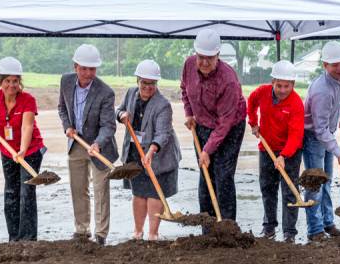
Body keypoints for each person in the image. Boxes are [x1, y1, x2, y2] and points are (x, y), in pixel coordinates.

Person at [180, 28, 247, 223]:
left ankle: (227, 226)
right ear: (196, 54)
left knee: (223, 176)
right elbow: (184, 88)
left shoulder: (228, 80)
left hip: (230, 127)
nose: (205, 62)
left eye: (210, 57)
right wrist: (189, 112)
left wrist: (207, 149)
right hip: (201, 123)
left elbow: (224, 123)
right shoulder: (189, 65)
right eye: (201, 57)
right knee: (205, 173)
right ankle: (207, 226)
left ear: (218, 55)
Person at [57, 44, 118, 245]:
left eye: (92, 69)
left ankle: (101, 233)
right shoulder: (65, 82)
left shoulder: (105, 92)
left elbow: (109, 125)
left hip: (99, 147)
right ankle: (81, 230)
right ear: (75, 67)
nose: (88, 73)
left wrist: (98, 144)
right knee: (78, 188)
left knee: (101, 190)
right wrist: (67, 126)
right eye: (84, 68)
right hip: (76, 144)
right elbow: (62, 108)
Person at [117, 59, 181, 240]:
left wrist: (151, 151)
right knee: (138, 192)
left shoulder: (163, 105)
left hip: (159, 154)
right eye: (144, 82)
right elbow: (119, 110)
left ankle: (153, 234)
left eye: (152, 83)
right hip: (135, 151)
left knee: (153, 193)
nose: (148, 87)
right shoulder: (130, 93)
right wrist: (121, 115)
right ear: (138, 81)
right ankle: (138, 231)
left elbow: (162, 134)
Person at [0, 57, 46, 241]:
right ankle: (14, 237)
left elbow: (27, 127)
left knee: (26, 192)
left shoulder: (28, 100)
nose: (11, 85)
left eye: (15, 81)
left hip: (30, 151)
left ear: (20, 81)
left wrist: (22, 150)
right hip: (7, 150)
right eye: (7, 81)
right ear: (0, 81)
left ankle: (28, 239)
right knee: (11, 191)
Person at [248, 60, 305, 242]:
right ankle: (269, 228)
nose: (281, 90)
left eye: (286, 86)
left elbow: (296, 136)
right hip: (266, 148)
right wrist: (253, 122)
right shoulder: (262, 92)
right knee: (267, 188)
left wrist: (283, 156)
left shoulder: (296, 104)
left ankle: (289, 233)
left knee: (289, 190)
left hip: (290, 151)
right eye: (278, 85)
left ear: (293, 85)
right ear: (272, 82)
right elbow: (251, 102)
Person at [303, 40, 340, 241]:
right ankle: (315, 230)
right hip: (314, 137)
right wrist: (339, 152)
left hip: (328, 133)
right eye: (334, 65)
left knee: (328, 182)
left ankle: (328, 223)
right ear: (325, 66)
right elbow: (320, 129)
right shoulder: (321, 90)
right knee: (315, 184)